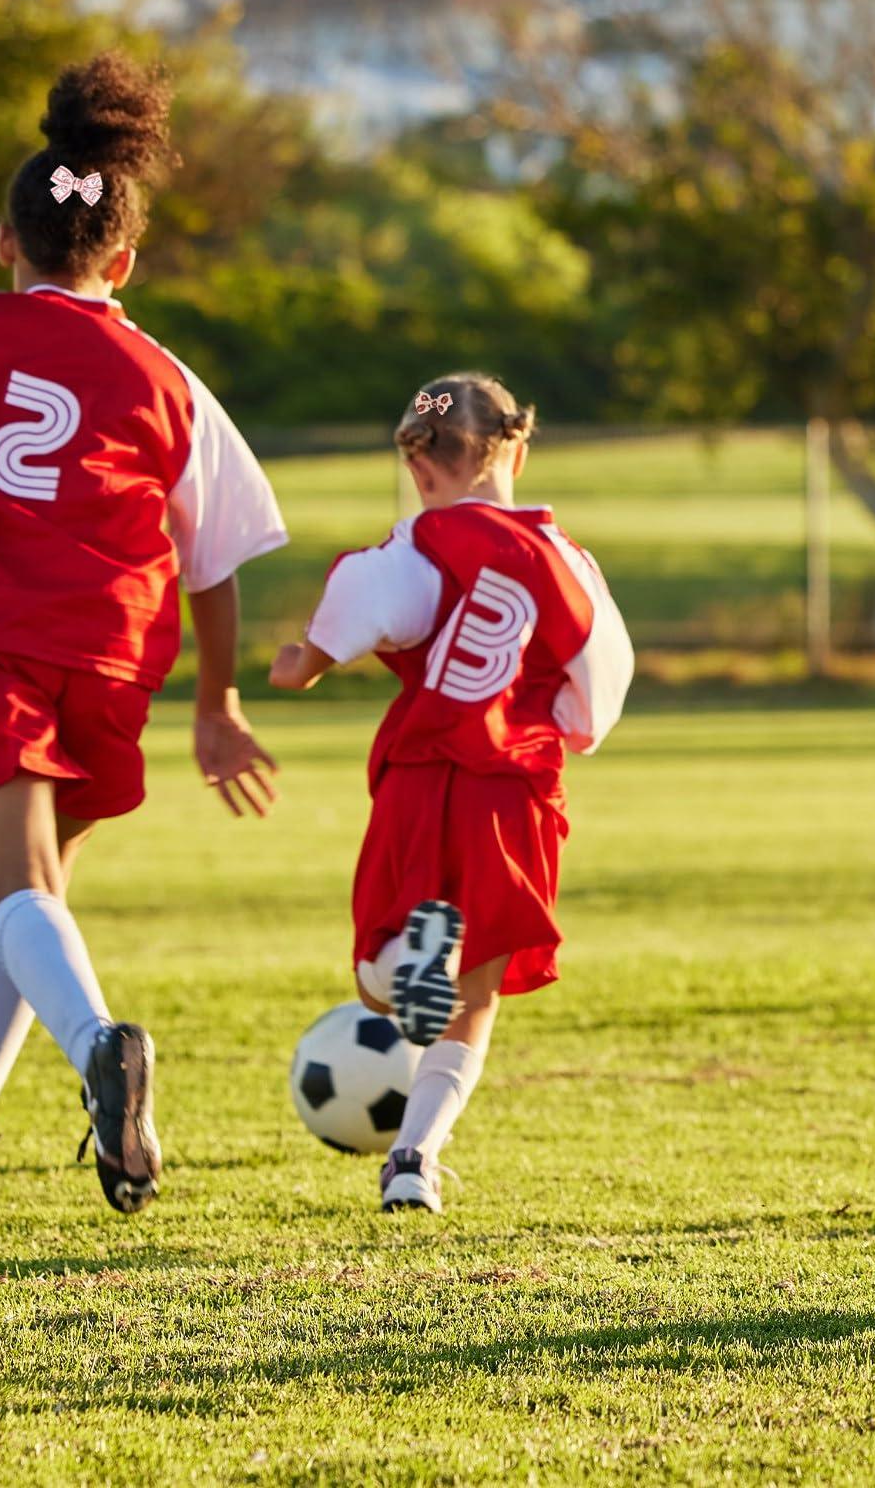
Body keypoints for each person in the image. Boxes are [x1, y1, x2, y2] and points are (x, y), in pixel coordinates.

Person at [0, 53, 286, 1217]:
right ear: (125, 262)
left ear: (6, 242)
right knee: (27, 900)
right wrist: (217, 706)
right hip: (113, 656)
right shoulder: (168, 377)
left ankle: (103, 1047)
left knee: (18, 900)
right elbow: (216, 558)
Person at [270, 371, 632, 1213]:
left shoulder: (425, 542)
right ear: (518, 448)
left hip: (423, 775)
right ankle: (413, 1161)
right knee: (477, 1002)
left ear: (420, 461)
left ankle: (409, 961)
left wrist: (309, 660)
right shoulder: (568, 559)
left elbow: (368, 602)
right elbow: (597, 693)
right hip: (515, 796)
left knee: (374, 977)